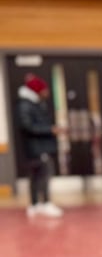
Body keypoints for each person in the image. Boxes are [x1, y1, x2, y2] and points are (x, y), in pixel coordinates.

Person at [16, 74, 61, 219]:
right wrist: (49, 130)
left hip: (41, 146)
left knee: (39, 175)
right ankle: (42, 203)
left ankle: (37, 204)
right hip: (36, 147)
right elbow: (27, 126)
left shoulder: (37, 104)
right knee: (42, 175)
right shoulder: (26, 105)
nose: (47, 93)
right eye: (44, 90)